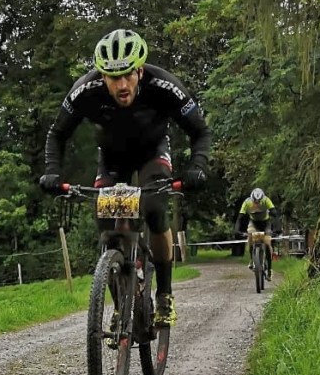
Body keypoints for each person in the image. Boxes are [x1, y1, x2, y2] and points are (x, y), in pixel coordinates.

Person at [39, 28, 211, 327]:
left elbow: (200, 131)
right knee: (105, 225)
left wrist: (198, 166)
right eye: (112, 77)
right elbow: (57, 133)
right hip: (112, 158)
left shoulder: (164, 85)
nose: (121, 84)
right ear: (101, 76)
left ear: (140, 71)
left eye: (128, 75)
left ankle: (165, 296)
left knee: (156, 211)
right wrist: (52, 172)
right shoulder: (86, 90)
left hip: (152, 153)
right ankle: (120, 303)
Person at [235, 188, 278, 280]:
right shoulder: (247, 202)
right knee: (250, 237)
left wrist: (277, 229)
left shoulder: (266, 200)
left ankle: (269, 270)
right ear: (252, 199)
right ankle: (252, 259)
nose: (257, 203)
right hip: (253, 223)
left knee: (267, 243)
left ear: (262, 199)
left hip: (266, 223)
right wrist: (237, 230)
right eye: (255, 201)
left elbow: (275, 213)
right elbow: (240, 218)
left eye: (259, 201)